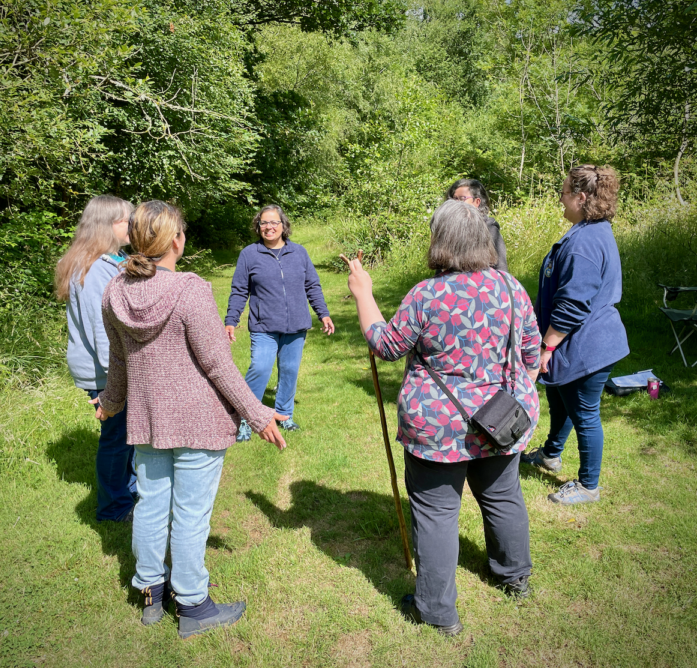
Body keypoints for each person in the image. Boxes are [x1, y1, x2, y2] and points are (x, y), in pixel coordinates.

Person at [342, 200, 541, 636]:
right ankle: (514, 577)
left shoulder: (427, 295)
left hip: (438, 427)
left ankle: (436, 612)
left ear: (440, 240)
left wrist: (363, 294)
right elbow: (531, 356)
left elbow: (386, 345)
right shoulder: (510, 287)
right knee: (503, 495)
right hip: (503, 419)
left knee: (436, 513)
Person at [91, 200, 288, 639]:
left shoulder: (113, 292)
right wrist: (258, 415)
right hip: (198, 421)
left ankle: (151, 593)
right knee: (190, 515)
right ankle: (194, 604)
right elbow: (218, 364)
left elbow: (117, 362)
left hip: (148, 420)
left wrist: (110, 402)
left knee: (150, 506)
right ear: (176, 240)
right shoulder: (189, 289)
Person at [522, 165, 629, 505]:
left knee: (584, 414)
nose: (560, 198)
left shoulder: (585, 242)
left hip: (587, 346)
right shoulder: (590, 231)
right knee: (560, 399)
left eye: (564, 192)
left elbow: (573, 306)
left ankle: (588, 486)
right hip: (580, 342)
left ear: (581, 198)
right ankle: (550, 454)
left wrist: (546, 347)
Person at [54, 195, 137, 522]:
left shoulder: (114, 259)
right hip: (108, 371)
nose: (132, 225)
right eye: (127, 220)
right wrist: (116, 379)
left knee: (127, 435)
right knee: (117, 439)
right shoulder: (89, 269)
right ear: (107, 224)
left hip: (119, 366)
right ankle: (114, 509)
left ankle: (130, 494)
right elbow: (102, 330)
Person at [224, 204, 335, 440]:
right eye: (264, 222)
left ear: (283, 226)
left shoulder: (299, 253)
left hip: (296, 326)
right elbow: (239, 290)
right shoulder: (249, 254)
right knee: (260, 368)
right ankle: (246, 418)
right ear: (258, 226)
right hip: (263, 326)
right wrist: (231, 320)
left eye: (274, 222)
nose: (269, 227)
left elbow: (312, 285)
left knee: (289, 370)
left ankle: (284, 415)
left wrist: (323, 313)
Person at [446, 179, 508, 271]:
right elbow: (441, 268)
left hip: (483, 279)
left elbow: (501, 267)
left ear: (477, 202)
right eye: (455, 199)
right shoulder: (449, 228)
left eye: (462, 199)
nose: (457, 203)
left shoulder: (489, 228)